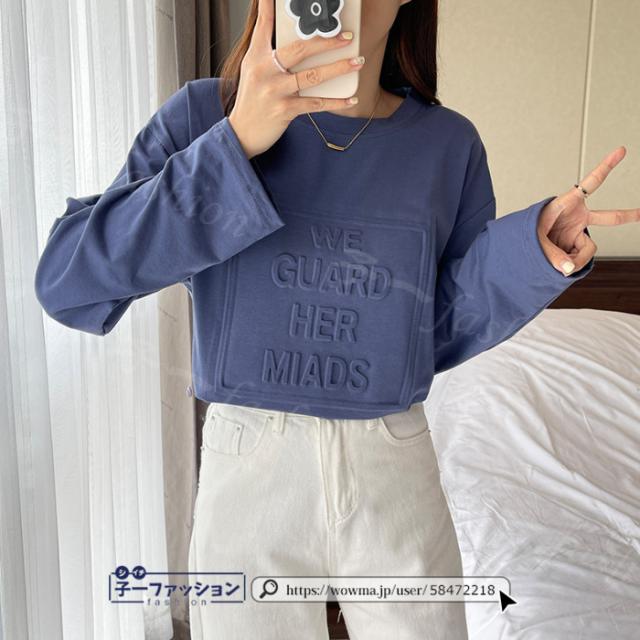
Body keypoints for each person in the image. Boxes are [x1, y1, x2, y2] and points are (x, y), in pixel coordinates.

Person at [34, 0, 638, 638]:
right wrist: (235, 144)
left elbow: (426, 332)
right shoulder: (204, 115)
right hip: (249, 468)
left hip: (393, 466)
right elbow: (69, 281)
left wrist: (529, 255)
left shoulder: (448, 145)